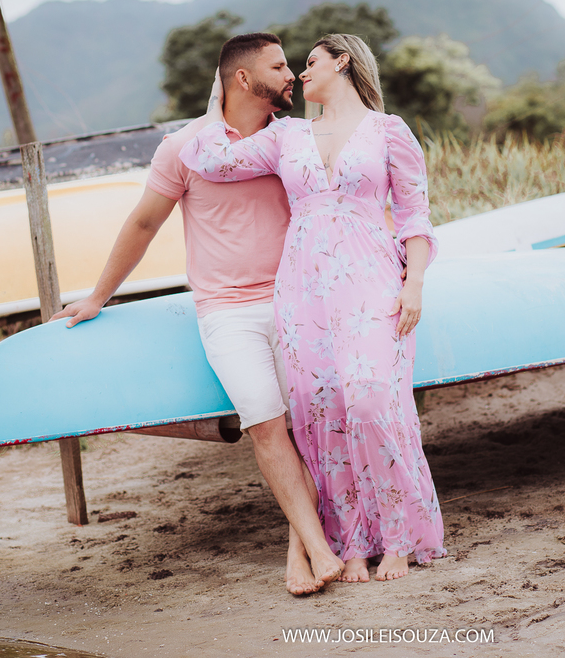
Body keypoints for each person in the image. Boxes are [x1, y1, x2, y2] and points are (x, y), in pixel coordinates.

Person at [51, 32, 345, 596]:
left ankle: (303, 552)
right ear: (242, 78)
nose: (293, 76)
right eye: (280, 66)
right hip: (227, 313)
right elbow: (143, 223)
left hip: (296, 301)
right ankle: (318, 545)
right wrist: (97, 298)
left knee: (305, 429)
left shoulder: (295, 140)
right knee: (264, 423)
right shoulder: (186, 146)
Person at [180, 33, 446, 583]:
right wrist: (217, 99)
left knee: (373, 399)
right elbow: (210, 157)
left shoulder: (388, 131)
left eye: (309, 63)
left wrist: (414, 282)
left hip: (373, 279)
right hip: (303, 290)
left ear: (341, 62)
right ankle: (350, 544)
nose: (299, 75)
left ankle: (397, 536)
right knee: (321, 411)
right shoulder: (286, 137)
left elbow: (416, 216)